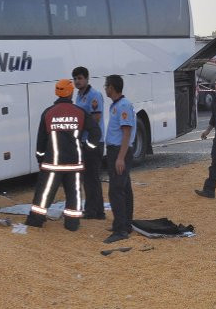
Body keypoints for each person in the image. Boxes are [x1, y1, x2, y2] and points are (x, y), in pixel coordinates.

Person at [24, 79, 101, 231]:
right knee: (74, 194)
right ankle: (72, 224)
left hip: (53, 163)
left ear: (56, 92)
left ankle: (36, 220)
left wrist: (40, 159)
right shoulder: (80, 112)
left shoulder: (48, 113)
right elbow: (96, 132)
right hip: (74, 163)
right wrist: (86, 149)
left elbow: (41, 140)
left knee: (44, 193)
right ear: (71, 92)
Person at [103, 75, 136, 244]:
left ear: (112, 87)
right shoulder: (117, 105)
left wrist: (121, 158)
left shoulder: (123, 105)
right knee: (125, 188)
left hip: (119, 151)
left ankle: (121, 230)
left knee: (116, 190)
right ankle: (125, 223)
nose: (104, 88)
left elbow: (126, 132)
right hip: (115, 150)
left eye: (106, 85)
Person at [72, 66, 106, 220]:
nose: (77, 81)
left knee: (92, 177)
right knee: (88, 178)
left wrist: (81, 127)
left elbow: (96, 118)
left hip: (94, 142)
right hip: (84, 140)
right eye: (75, 79)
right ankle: (95, 210)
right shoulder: (79, 95)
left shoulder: (94, 95)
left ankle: (95, 211)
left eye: (80, 78)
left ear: (87, 78)